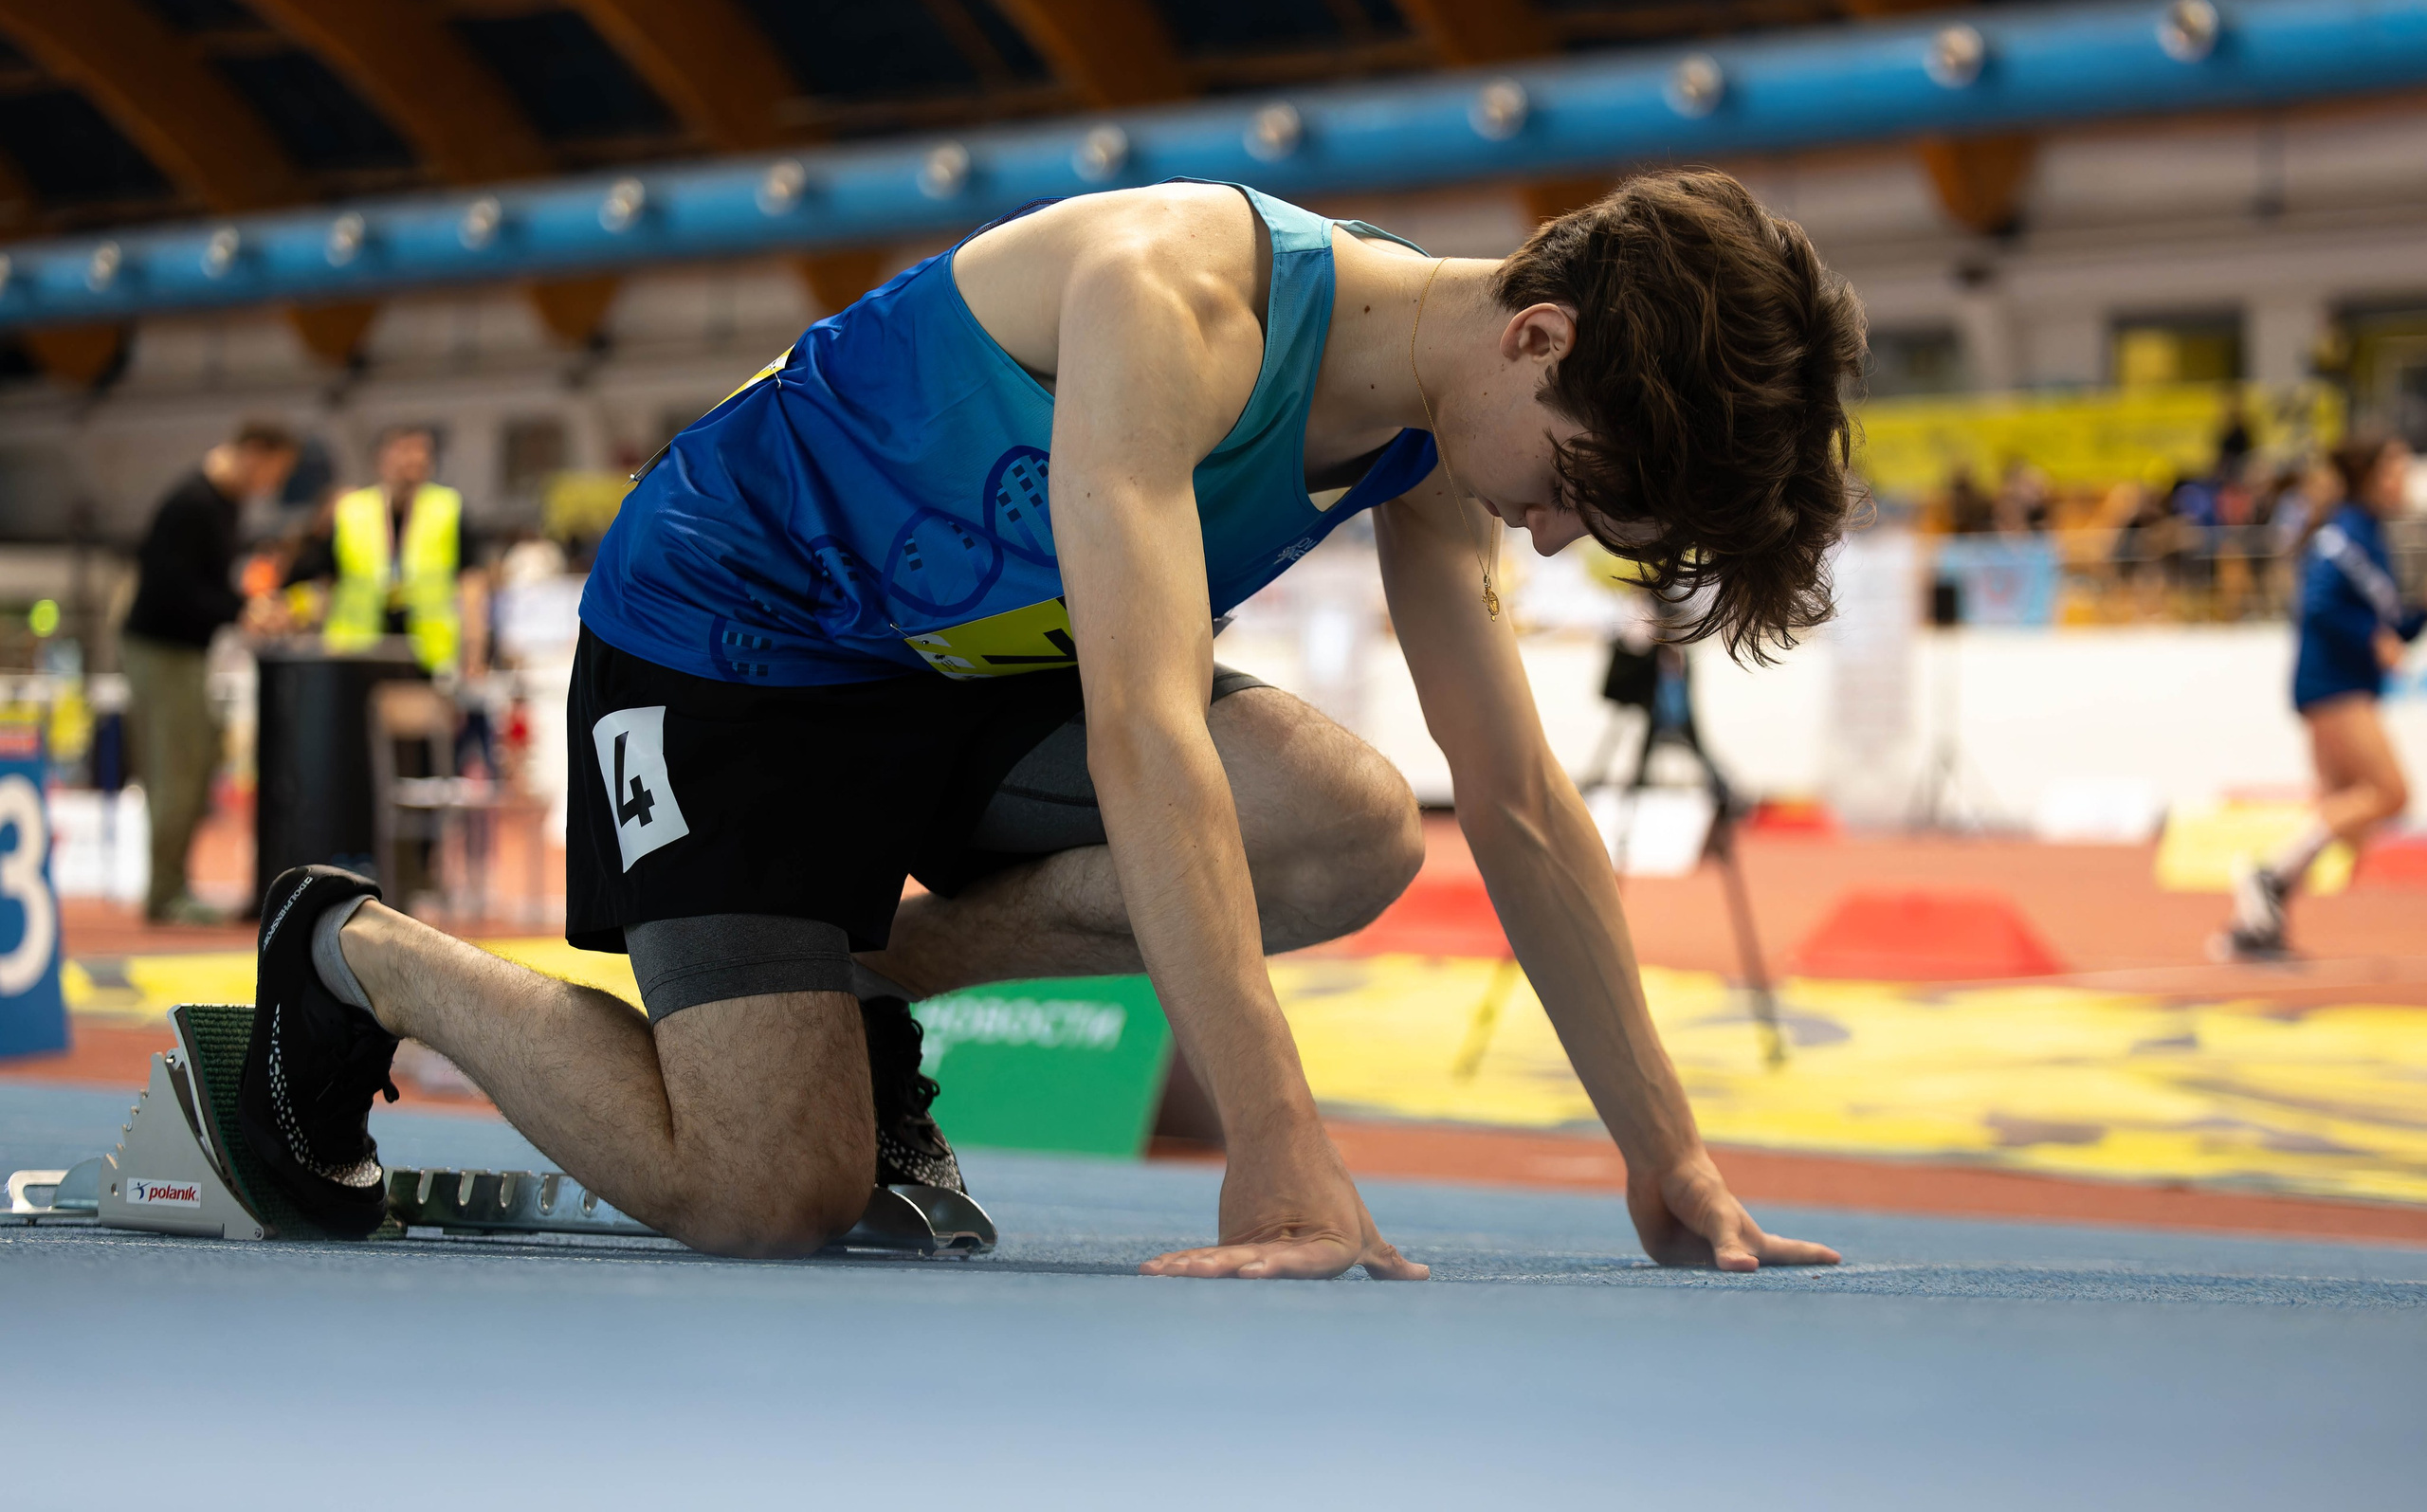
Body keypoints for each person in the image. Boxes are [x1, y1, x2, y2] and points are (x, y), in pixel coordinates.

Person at [238, 172, 1861, 1279]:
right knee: (764, 1197)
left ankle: (870, 977)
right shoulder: (1179, 296)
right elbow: (1146, 735)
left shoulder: (1442, 432)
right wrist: (1279, 1146)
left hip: (972, 673)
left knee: (1353, 820)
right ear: (1539, 334)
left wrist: (1670, 1154)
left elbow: (1513, 800)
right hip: (732, 648)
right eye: (1578, 481)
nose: (1560, 535)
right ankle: (356, 948)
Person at [2222, 435, 2420, 959]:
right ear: (2372, 476)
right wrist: (2371, 637)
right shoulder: (2345, 534)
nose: (2406, 480)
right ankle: (2266, 875)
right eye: (2397, 468)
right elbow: (2320, 603)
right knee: (2391, 792)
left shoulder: (2368, 534)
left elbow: (2392, 626)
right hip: (2331, 683)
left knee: (2340, 815)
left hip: (2344, 683)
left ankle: (2261, 914)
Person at [119, 424, 299, 924]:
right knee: (177, 767)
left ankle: (173, 884)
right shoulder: (192, 503)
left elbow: (204, 587)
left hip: (187, 650)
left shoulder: (223, 504)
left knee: (196, 764)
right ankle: (164, 892)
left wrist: (243, 608)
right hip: (161, 649)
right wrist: (242, 610)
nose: (271, 486)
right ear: (253, 452)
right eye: (274, 472)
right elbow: (173, 587)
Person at [294, 424, 488, 678]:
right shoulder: (350, 511)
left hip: (427, 653)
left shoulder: (448, 508)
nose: (414, 460)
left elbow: (472, 585)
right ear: (382, 458)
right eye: (404, 451)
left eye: (422, 452)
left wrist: (475, 650)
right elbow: (322, 581)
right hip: (357, 650)